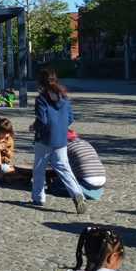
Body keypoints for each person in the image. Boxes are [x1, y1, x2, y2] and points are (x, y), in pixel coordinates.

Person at [29, 68, 86, 215]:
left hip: (44, 139)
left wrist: (32, 128)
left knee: (39, 169)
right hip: (61, 139)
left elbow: (42, 120)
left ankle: (38, 197)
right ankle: (77, 193)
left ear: (41, 82)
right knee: (64, 168)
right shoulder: (64, 98)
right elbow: (70, 118)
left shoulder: (41, 99)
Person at [60, 131, 107, 199]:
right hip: (102, 179)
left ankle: (78, 191)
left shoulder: (65, 146)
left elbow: (60, 164)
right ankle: (90, 191)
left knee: (54, 187)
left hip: (86, 179)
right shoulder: (86, 143)